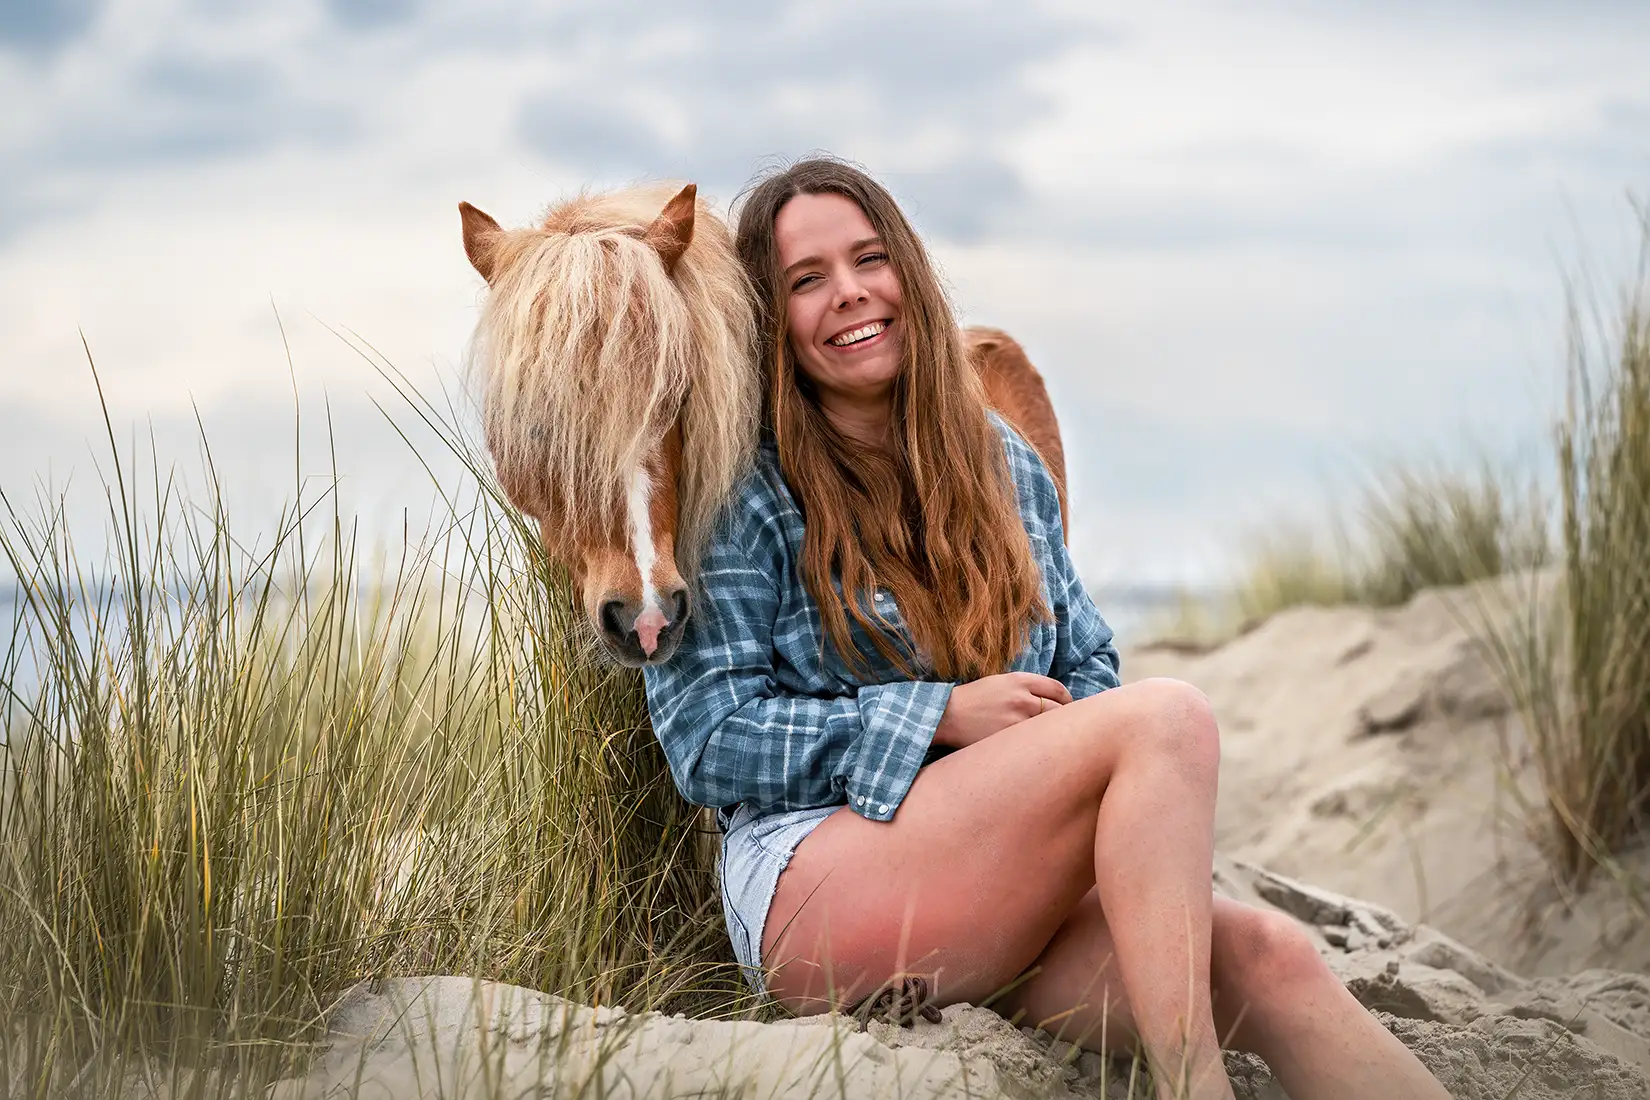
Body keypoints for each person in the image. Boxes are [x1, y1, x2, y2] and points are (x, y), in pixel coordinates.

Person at [641, 157, 1451, 1100]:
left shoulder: (998, 461)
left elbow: (1088, 659)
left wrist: (1063, 774)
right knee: (1167, 718)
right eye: (807, 279)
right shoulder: (746, 489)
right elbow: (709, 742)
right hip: (823, 891)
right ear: (773, 321)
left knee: (1270, 956)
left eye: (869, 259)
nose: (850, 293)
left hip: (999, 893)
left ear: (908, 269)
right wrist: (935, 715)